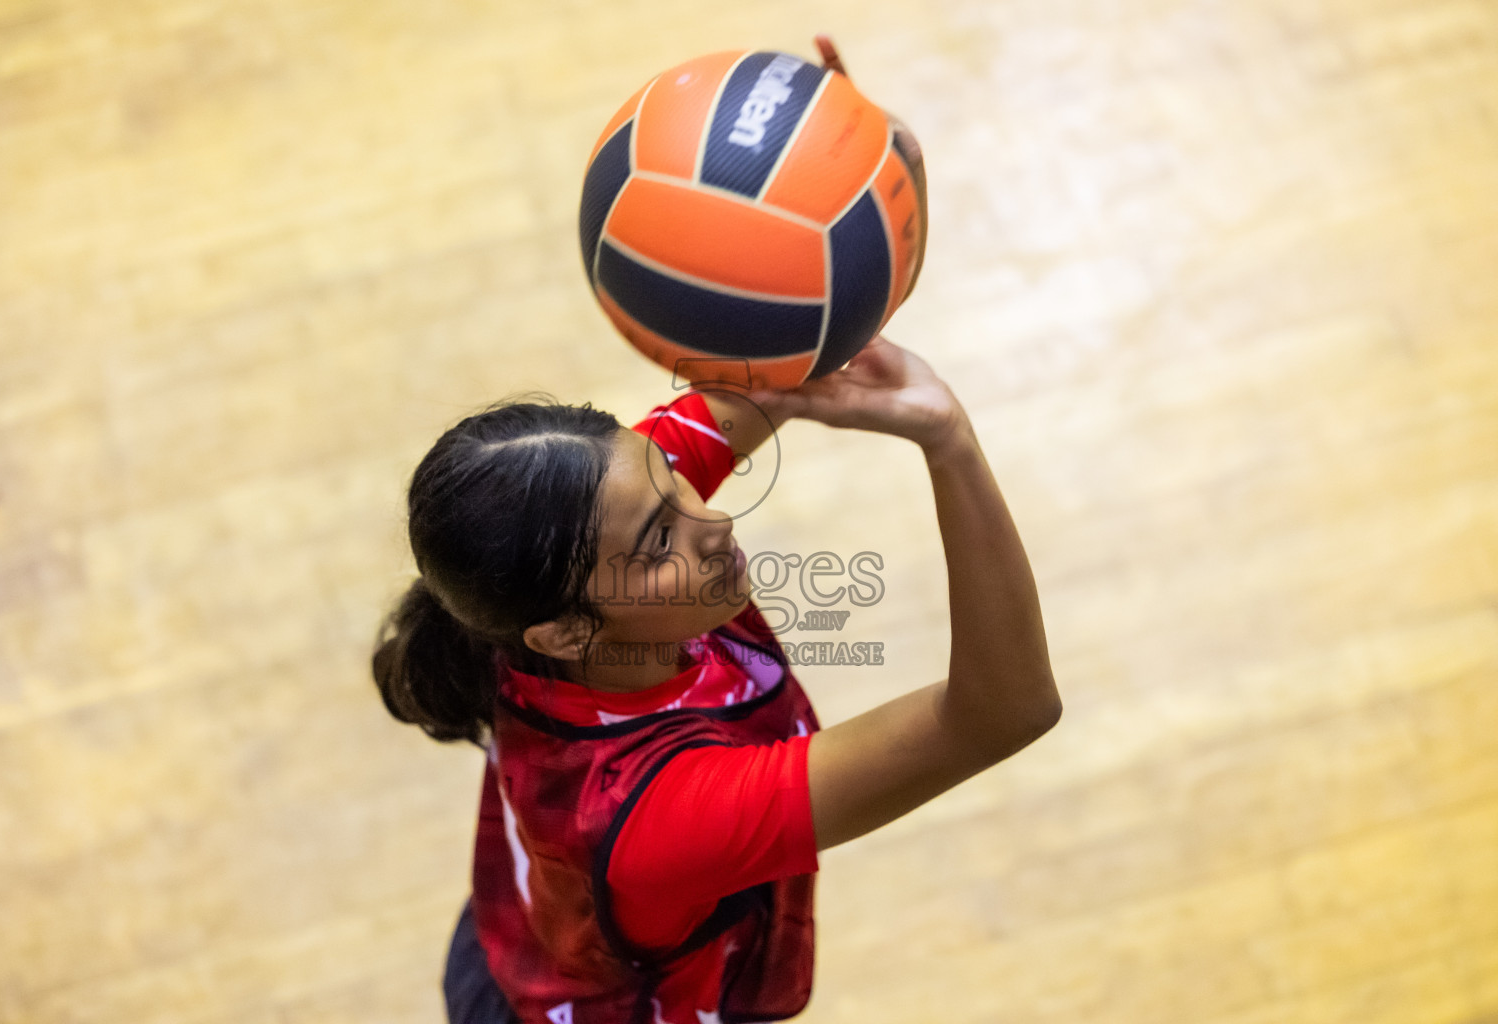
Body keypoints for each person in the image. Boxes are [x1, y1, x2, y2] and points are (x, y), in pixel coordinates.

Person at [371, 40, 1059, 1024]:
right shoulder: (670, 814)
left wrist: (855, 190)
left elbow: (782, 353)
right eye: (658, 540)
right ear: (563, 632)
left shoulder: (554, 566)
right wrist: (947, 442)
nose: (711, 512)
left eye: (670, 474)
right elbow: (1004, 713)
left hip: (527, 946)